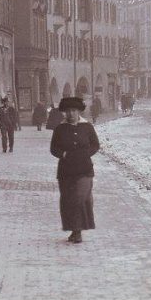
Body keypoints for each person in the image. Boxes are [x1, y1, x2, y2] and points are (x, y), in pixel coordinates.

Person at [50, 96, 99, 243]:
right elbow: (53, 148)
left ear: (78, 112)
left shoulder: (87, 127)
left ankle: (78, 230)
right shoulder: (60, 129)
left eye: (73, 111)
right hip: (66, 171)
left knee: (81, 198)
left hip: (85, 170)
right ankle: (74, 230)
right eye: (68, 111)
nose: (71, 114)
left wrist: (85, 154)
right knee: (68, 201)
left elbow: (95, 145)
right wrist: (63, 154)